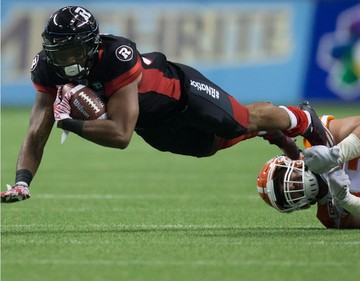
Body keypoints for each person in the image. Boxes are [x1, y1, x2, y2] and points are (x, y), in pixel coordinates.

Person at [1, 6, 331, 203]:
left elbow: (120, 135)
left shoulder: (117, 56)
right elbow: (35, 130)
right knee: (209, 146)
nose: (62, 61)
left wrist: (69, 122)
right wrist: (21, 181)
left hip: (182, 93)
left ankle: (300, 118)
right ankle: (269, 131)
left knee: (239, 121)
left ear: (89, 47)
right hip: (152, 123)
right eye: (56, 52)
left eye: (69, 52)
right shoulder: (46, 67)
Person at [257, 115, 360, 229]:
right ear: (301, 206)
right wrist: (349, 201)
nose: (290, 187)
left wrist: (336, 155)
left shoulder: (319, 139)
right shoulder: (330, 216)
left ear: (290, 162)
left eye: (282, 180)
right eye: (284, 195)